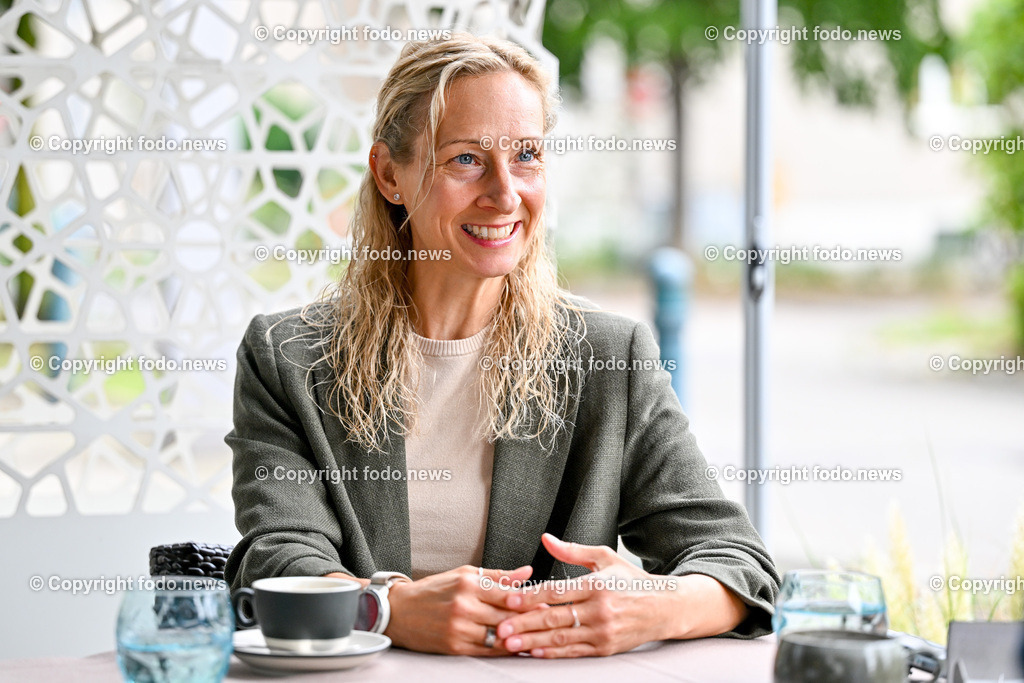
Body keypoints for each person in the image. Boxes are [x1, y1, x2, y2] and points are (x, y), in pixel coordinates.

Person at [225, 33, 779, 658]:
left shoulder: (608, 357)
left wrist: (653, 606)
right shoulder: (287, 358)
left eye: (527, 156)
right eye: (466, 159)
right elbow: (279, 560)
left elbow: (737, 563)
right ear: (389, 174)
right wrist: (391, 608)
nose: (506, 193)